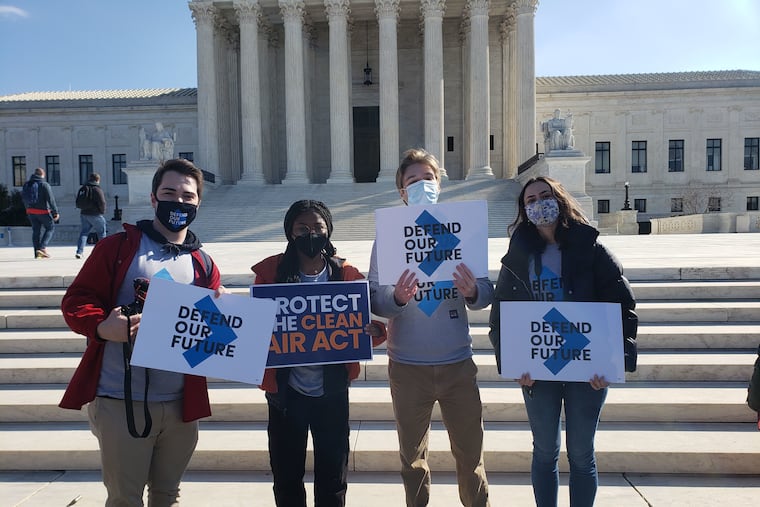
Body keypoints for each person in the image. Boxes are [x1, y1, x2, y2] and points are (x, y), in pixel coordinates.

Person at [59, 158, 223, 506]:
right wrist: (103, 327)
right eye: (169, 193)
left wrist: (222, 327)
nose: (178, 202)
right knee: (125, 499)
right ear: (153, 199)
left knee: (167, 495)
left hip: (180, 403)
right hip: (120, 398)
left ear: (197, 203)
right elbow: (77, 300)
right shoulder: (117, 248)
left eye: (187, 196)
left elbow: (205, 337)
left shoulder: (203, 263)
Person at [488, 175, 638, 507]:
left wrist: (613, 362)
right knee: (545, 451)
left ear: (559, 199)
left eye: (545, 196)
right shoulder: (518, 256)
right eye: (530, 201)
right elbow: (501, 313)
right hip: (539, 367)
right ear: (524, 210)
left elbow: (622, 303)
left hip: (587, 365)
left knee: (582, 453)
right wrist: (512, 361)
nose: (538, 204)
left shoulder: (591, 247)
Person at [368, 148, 492, 507]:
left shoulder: (461, 232)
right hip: (408, 367)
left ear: (440, 184)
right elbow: (375, 299)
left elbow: (487, 291)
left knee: (471, 456)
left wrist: (472, 291)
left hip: (457, 364)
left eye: (428, 178)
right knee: (412, 458)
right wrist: (400, 299)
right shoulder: (389, 237)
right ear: (402, 191)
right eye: (412, 180)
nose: (421, 185)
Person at [252, 199, 386, 507]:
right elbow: (253, 327)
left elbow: (360, 327)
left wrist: (375, 332)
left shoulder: (346, 274)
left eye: (317, 227)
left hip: (332, 392)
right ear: (290, 232)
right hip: (286, 393)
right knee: (286, 477)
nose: (310, 233)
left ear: (328, 231)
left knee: (332, 477)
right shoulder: (271, 272)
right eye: (302, 228)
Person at [23, 167, 59, 259]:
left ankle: (36, 252)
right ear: (42, 175)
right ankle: (42, 248)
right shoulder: (44, 184)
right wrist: (55, 212)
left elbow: (24, 198)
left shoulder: (27, 184)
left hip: (30, 211)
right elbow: (51, 200)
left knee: (36, 231)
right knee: (50, 228)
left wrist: (27, 210)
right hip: (42, 211)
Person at [75, 172, 108, 259]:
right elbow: (102, 202)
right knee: (101, 233)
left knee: (84, 233)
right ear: (98, 180)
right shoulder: (97, 189)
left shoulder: (83, 188)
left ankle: (79, 251)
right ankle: (104, 251)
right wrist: (102, 211)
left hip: (84, 213)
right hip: (95, 214)